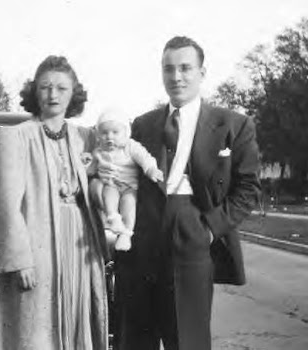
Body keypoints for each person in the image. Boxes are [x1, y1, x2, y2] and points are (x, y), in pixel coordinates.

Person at [114, 36, 261, 350]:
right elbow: (125, 177)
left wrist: (209, 229)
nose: (176, 77)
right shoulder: (143, 124)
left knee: (188, 339)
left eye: (185, 68)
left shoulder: (233, 125)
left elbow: (248, 189)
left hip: (193, 235)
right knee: (136, 339)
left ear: (202, 73)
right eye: (168, 69)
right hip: (143, 239)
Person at [0, 55, 109, 350]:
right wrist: (20, 260)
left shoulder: (86, 137)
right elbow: (6, 207)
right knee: (36, 332)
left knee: (78, 321)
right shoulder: (14, 138)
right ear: (35, 92)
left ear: (73, 94)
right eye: (45, 87)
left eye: (61, 88)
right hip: (38, 246)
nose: (53, 95)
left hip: (80, 246)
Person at [88, 108, 164, 252]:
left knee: (129, 204)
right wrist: (86, 166)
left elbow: (144, 158)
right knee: (109, 194)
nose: (109, 137)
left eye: (115, 132)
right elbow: (90, 169)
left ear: (126, 133)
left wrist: (150, 169)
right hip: (111, 184)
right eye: (104, 133)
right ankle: (113, 219)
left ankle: (126, 234)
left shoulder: (130, 146)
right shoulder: (98, 151)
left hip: (129, 186)